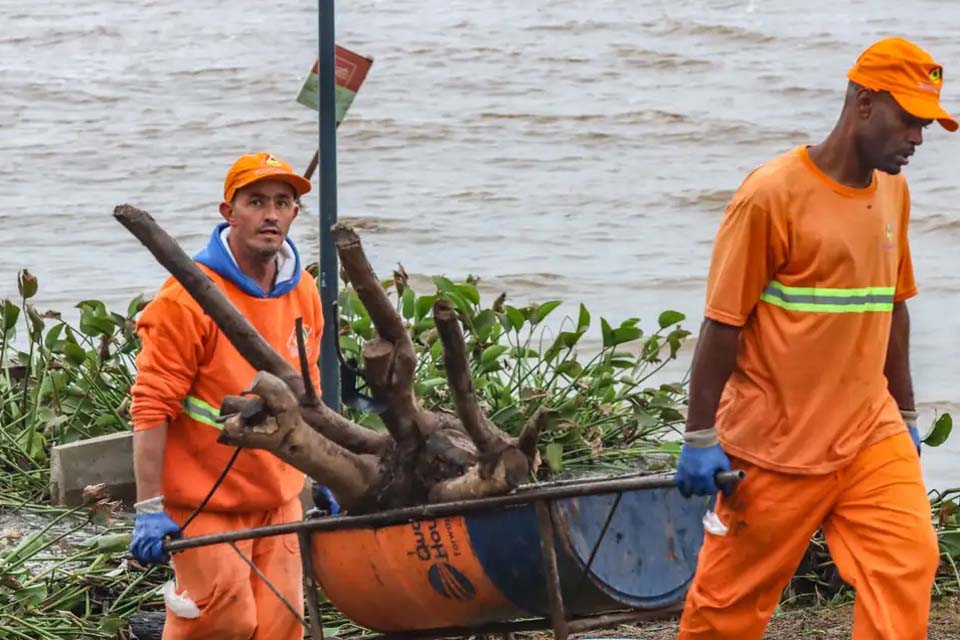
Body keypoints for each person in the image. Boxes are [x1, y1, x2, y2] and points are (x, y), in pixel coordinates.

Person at [674, 37, 955, 640]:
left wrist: (905, 414)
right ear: (863, 103)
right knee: (726, 611)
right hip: (776, 444)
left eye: (926, 125)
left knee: (907, 561)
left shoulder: (893, 191)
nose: (917, 138)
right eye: (909, 119)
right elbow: (723, 322)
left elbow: (893, 306)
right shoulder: (770, 196)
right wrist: (699, 435)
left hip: (867, 432)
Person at [128, 151, 323, 639]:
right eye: (255, 202)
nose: (271, 214)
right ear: (228, 212)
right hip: (205, 503)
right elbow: (150, 407)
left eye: (282, 202)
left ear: (295, 213)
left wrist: (328, 472)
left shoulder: (304, 291)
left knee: (283, 626)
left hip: (279, 499)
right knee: (224, 621)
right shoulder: (184, 298)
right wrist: (149, 508)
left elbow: (310, 396)